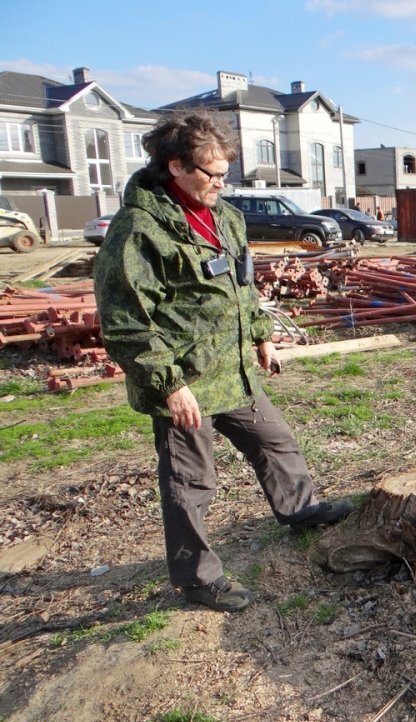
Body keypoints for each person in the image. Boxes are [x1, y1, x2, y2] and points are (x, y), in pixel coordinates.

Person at [94, 111, 352, 613]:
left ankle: (299, 510)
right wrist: (168, 385)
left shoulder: (225, 218)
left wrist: (260, 337)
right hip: (184, 383)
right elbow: (125, 320)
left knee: (274, 440)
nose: (220, 183)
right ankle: (197, 579)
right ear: (176, 166)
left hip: (231, 371)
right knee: (190, 481)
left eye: (224, 173)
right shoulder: (139, 230)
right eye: (211, 174)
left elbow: (241, 286)